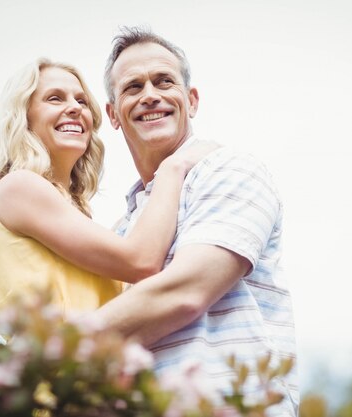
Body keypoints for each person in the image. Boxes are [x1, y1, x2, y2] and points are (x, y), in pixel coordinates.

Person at [93, 27, 299, 415]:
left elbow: (184, 292)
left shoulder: (229, 169)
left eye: (164, 81)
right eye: (133, 87)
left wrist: (52, 351)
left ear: (191, 100)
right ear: (113, 114)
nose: (150, 94)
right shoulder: (124, 229)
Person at [0, 58, 215, 323]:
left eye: (82, 101)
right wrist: (174, 166)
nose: (74, 108)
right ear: (24, 117)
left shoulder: (66, 212)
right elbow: (141, 261)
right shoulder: (19, 188)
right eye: (55, 99)